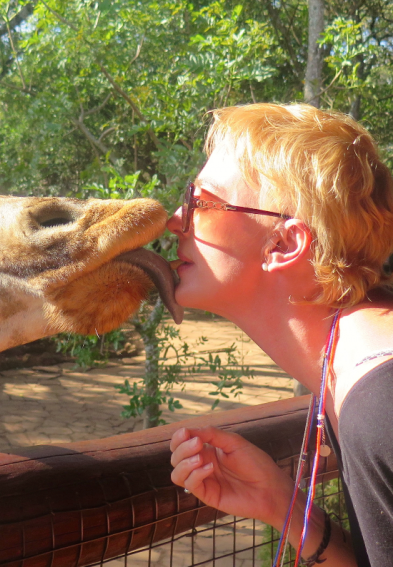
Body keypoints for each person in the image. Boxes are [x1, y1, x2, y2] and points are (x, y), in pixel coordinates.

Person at [167, 103, 393, 566]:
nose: (175, 218)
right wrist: (281, 505)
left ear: (285, 244)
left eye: (201, 201)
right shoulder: (350, 371)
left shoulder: (382, 408)